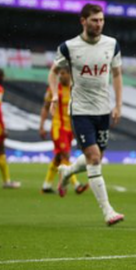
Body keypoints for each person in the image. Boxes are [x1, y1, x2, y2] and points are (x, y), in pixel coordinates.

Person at [49, 3, 124, 226]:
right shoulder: (69, 47)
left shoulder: (112, 44)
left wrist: (118, 105)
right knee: (94, 158)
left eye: (101, 20)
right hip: (81, 111)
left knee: (96, 156)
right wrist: (54, 95)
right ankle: (108, 211)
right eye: (94, 20)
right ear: (83, 21)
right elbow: (53, 73)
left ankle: (67, 171)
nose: (99, 24)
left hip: (103, 110)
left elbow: (117, 74)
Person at [38, 66, 88, 195]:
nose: (61, 76)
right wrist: (41, 126)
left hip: (69, 128)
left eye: (64, 73)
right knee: (65, 155)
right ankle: (76, 185)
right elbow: (45, 107)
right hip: (58, 127)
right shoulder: (53, 90)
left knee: (58, 157)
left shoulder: (74, 89)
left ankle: (46, 185)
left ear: (70, 74)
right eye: (60, 73)